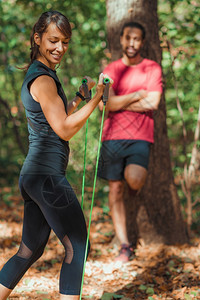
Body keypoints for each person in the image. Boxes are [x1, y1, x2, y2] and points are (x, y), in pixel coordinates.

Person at [0, 11, 112, 300]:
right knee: (77, 244)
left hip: (35, 176)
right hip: (46, 176)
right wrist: (98, 98)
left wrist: (78, 98)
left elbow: (56, 117)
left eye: (64, 41)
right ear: (37, 38)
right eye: (52, 40)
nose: (59, 48)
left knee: (30, 250)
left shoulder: (43, 75)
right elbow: (63, 129)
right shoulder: (43, 79)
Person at [98, 22, 162, 262]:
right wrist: (137, 95)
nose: (132, 43)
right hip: (112, 136)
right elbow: (106, 105)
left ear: (143, 42)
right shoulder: (111, 69)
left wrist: (119, 101)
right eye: (128, 38)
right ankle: (125, 244)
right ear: (122, 40)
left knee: (134, 181)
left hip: (140, 136)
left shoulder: (151, 68)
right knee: (115, 190)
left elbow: (153, 102)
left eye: (137, 39)